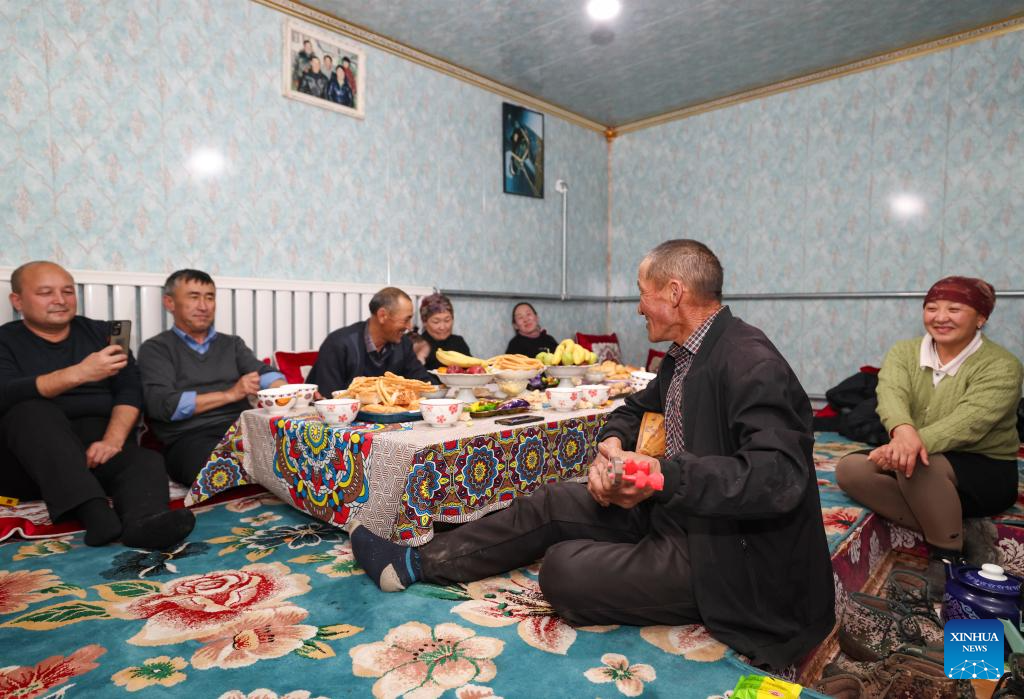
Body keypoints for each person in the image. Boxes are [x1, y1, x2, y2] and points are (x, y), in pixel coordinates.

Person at [348, 240, 835, 670]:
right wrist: (613, 447)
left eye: (642, 293)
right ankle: (411, 564)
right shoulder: (685, 356)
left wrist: (662, 475)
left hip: (728, 555)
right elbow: (632, 409)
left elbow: (779, 477)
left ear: (674, 292)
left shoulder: (750, 361)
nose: (638, 308)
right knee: (553, 500)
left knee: (563, 570)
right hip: (680, 511)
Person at [836, 276, 1021, 582]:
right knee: (852, 470)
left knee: (918, 465)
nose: (940, 317)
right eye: (932, 308)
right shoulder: (904, 352)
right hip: (917, 451)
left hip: (983, 468)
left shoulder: (1002, 365)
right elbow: (891, 395)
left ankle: (947, 558)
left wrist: (906, 446)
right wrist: (902, 431)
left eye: (954, 309)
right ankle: (966, 533)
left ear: (981, 318)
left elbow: (969, 422)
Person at [0, 262, 195, 549]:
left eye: (68, 291)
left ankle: (143, 524)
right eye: (45, 292)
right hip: (33, 460)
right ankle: (95, 514)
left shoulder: (102, 333)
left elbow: (130, 390)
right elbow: (6, 392)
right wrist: (80, 372)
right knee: (30, 411)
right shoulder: (5, 340)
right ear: (17, 301)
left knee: (144, 460)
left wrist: (113, 441)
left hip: (97, 447)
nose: (60, 300)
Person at [137, 270, 286, 486]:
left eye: (209, 297)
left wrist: (286, 389)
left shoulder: (232, 344)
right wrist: (230, 394)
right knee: (220, 469)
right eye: (194, 297)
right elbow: (163, 405)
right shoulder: (156, 349)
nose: (203, 306)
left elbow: (263, 373)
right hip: (188, 438)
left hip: (241, 428)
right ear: (169, 303)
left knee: (294, 452)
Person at [306, 287, 435, 398]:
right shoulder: (338, 344)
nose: (410, 327)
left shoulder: (403, 344)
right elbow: (327, 398)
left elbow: (425, 384)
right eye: (406, 320)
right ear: (382, 315)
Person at [418, 293, 471, 370]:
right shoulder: (418, 345)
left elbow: (472, 370)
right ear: (424, 322)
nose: (442, 327)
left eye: (447, 320)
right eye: (436, 322)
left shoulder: (459, 342)